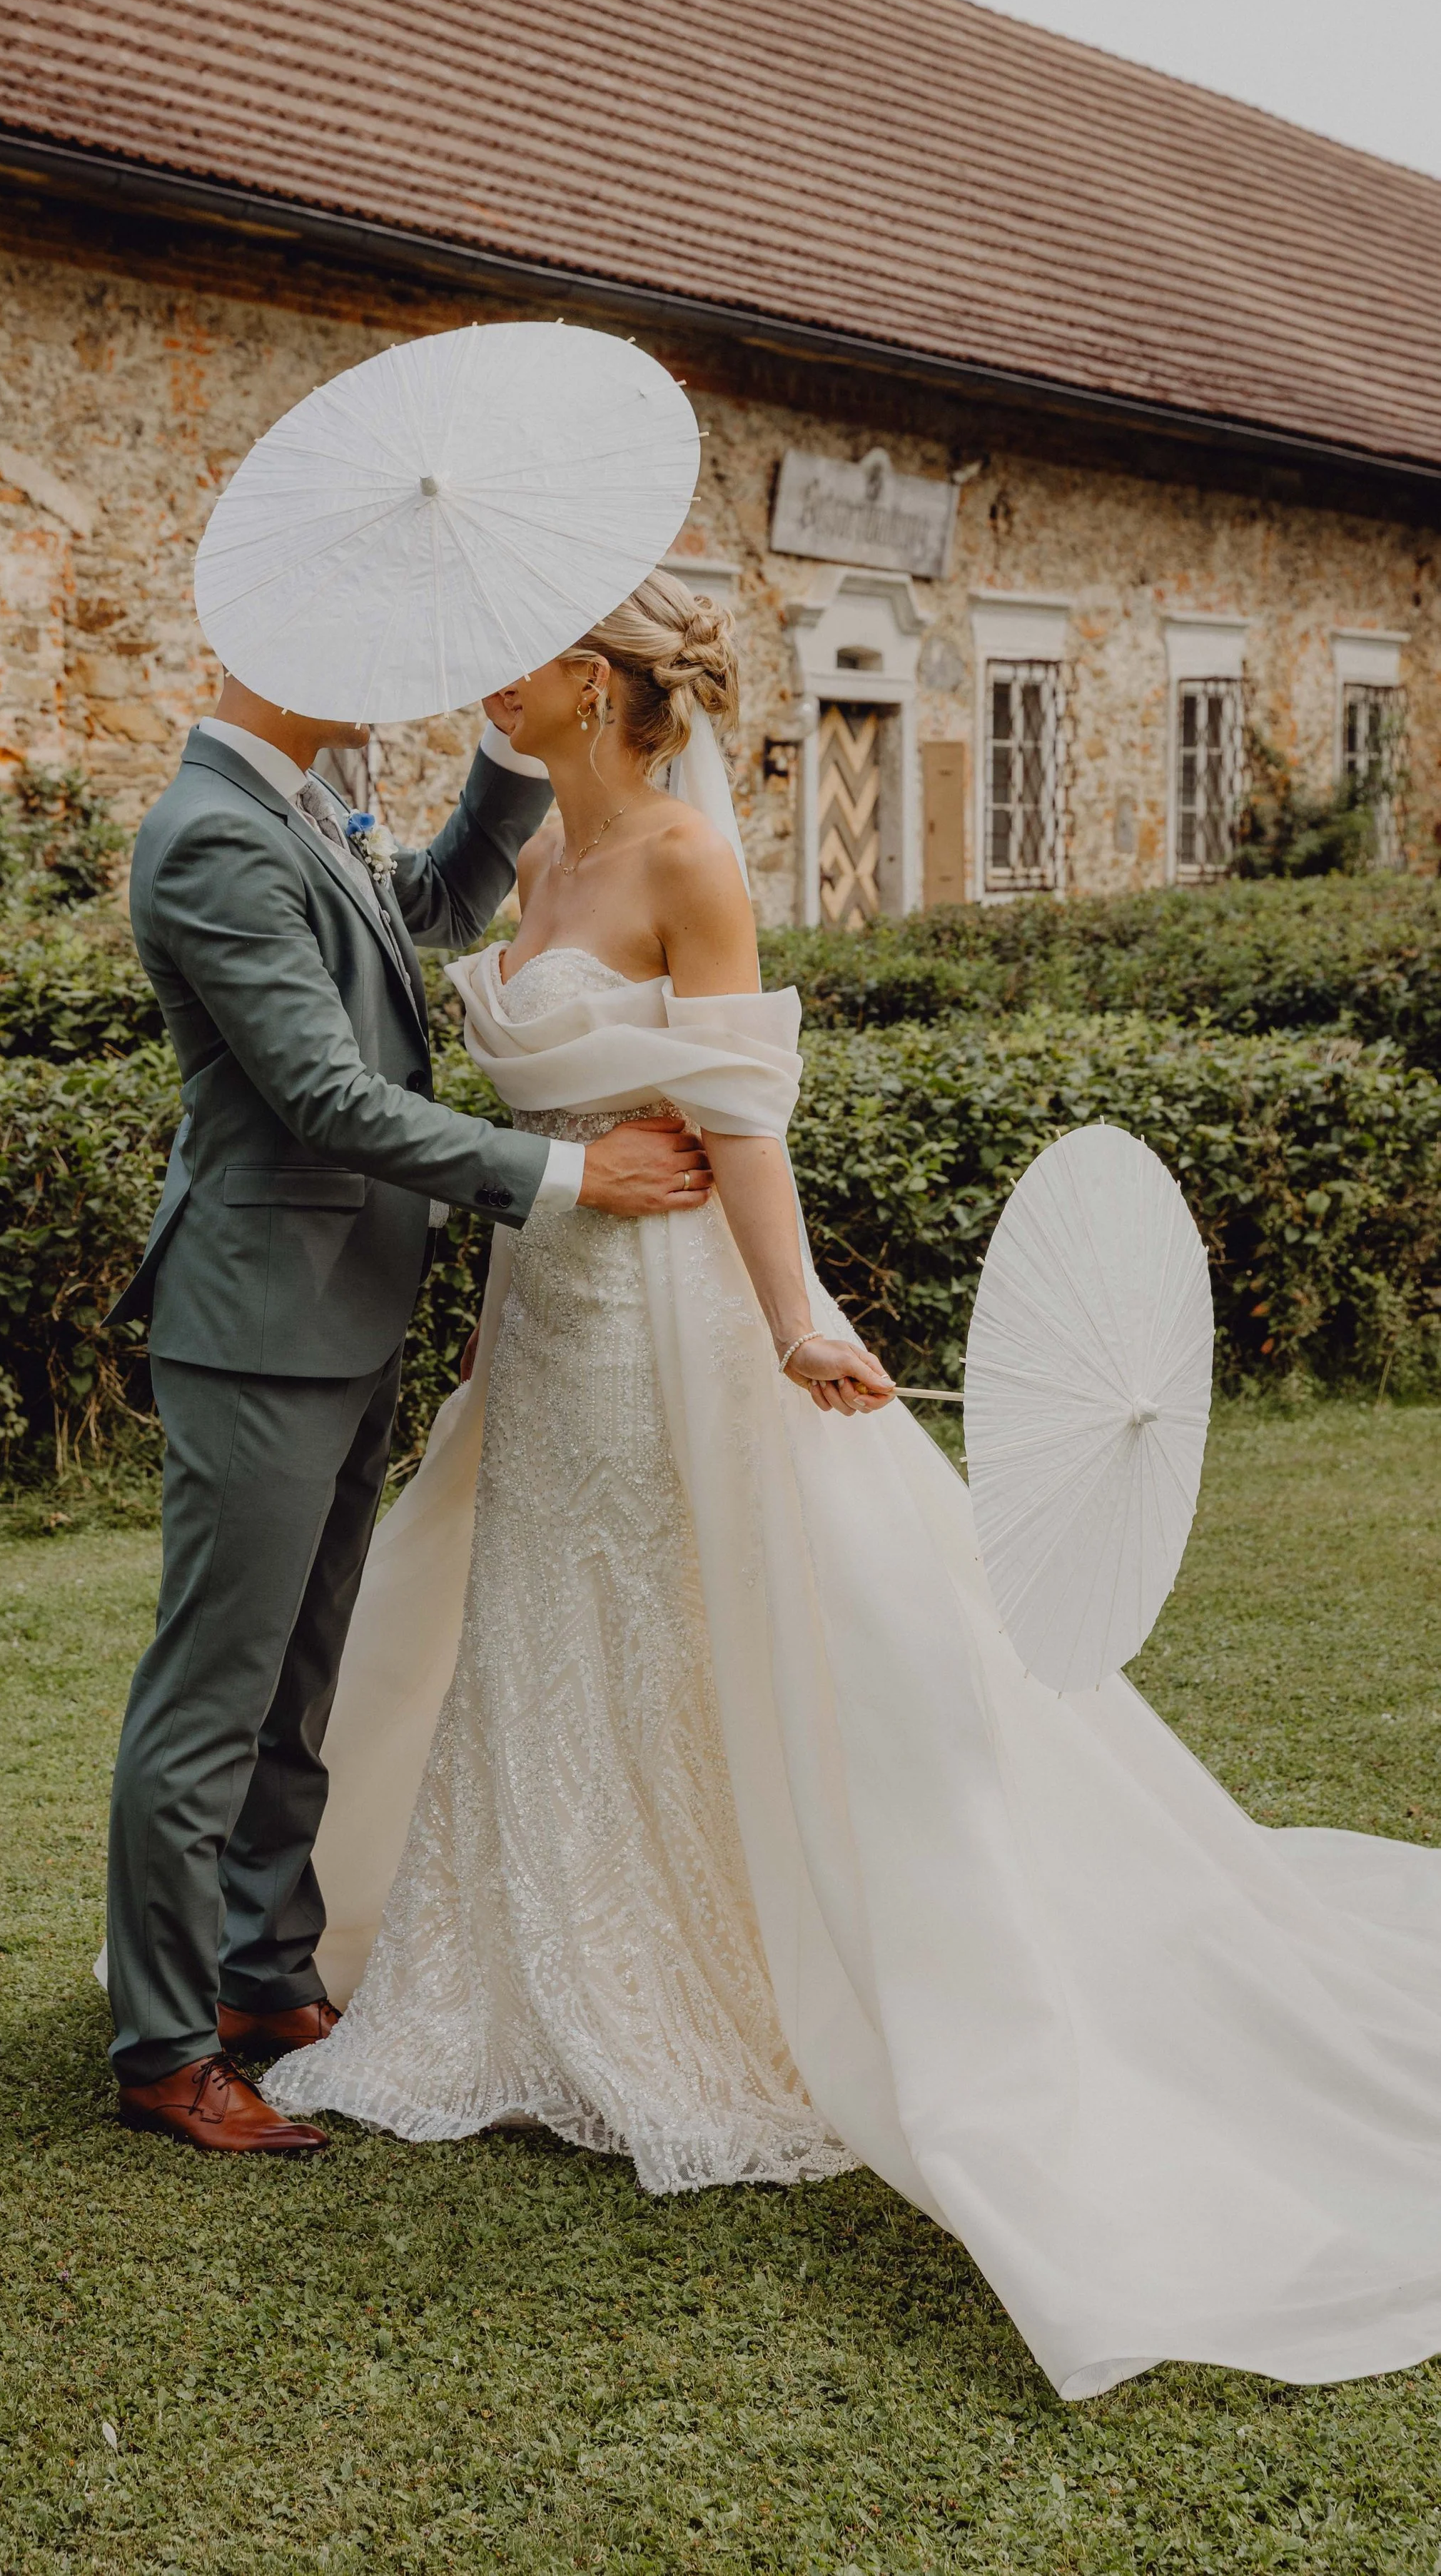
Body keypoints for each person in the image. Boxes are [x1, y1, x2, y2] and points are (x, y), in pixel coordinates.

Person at [266, 570, 1441, 2398]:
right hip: (553, 1302)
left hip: (670, 1315)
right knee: (547, 1619)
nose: (482, 666)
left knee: (689, 1611)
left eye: (518, 647)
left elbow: (739, 1111)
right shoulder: (528, 867)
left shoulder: (681, 860)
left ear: (586, 683)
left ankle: (716, 1976)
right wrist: (501, 1304)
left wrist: (796, 1313)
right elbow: (538, 1114)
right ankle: (534, 1968)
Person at [102, 669, 714, 2154]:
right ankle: (167, 2048)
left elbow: (431, 908)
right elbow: (320, 1091)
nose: (385, 666)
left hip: (349, 1300)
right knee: (214, 1691)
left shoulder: (308, 807)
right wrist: (570, 1179)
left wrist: (510, 758)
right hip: (258, 1317)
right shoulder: (211, 833)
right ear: (276, 652)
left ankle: (264, 1977)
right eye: (353, 645)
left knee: (298, 1683)